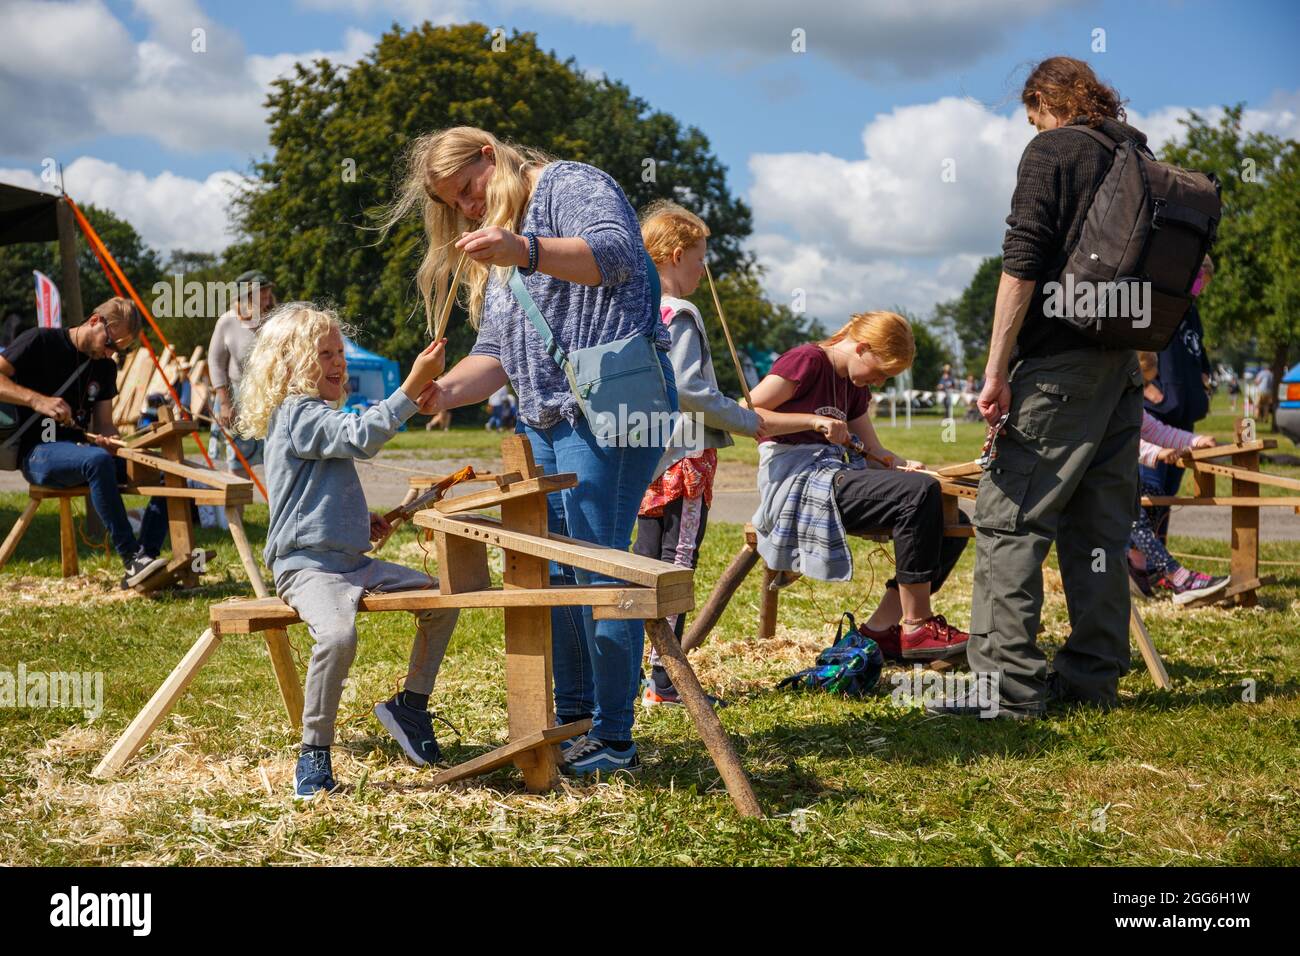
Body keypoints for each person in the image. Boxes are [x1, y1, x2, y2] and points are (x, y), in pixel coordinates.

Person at [382, 126, 677, 776]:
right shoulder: (501, 242)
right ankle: (575, 723)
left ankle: (614, 738)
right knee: (561, 575)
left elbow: (619, 254)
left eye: (467, 187)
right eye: (452, 203)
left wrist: (522, 248)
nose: (465, 206)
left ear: (490, 154)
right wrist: (442, 393)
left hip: (608, 407)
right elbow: (493, 354)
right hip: (546, 422)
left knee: (602, 571)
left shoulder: (568, 184)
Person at [952, 56, 1149, 718]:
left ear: (1041, 101)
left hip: (1059, 364)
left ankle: (1004, 693)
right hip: (1121, 365)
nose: (1029, 126)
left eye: (1029, 114)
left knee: (1010, 521)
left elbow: (1022, 263)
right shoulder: (1134, 152)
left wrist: (995, 369)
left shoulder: (1051, 151)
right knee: (1100, 529)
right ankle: (1093, 680)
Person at [235, 302, 459, 799]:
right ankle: (313, 753)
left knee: (443, 600)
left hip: (352, 563)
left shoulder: (314, 415)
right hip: (307, 568)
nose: (339, 362)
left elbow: (321, 490)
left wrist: (360, 523)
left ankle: (411, 706)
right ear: (291, 366)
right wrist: (409, 386)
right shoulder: (296, 412)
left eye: (340, 352)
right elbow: (360, 437)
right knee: (337, 637)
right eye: (325, 353)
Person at [750, 312, 971, 662]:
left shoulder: (854, 386)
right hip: (796, 478)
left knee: (950, 515)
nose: (880, 382)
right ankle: (917, 626)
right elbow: (746, 414)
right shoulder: (806, 361)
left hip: (834, 472)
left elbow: (874, 452)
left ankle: (881, 630)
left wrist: (901, 465)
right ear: (862, 348)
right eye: (882, 372)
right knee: (917, 495)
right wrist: (813, 421)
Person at [631, 201, 766, 707]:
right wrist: (747, 419)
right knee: (677, 563)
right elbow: (689, 389)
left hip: (645, 454)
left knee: (646, 559)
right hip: (684, 458)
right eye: (699, 258)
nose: (703, 269)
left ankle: (637, 669)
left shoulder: (633, 312)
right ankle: (665, 681)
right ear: (673, 253)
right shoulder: (679, 312)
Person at [0, 297, 171, 588]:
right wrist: (37, 399)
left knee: (166, 469)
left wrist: (111, 440)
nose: (111, 353)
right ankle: (131, 559)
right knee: (97, 461)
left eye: (120, 349)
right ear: (94, 321)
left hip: (83, 453)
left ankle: (147, 557)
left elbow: (104, 423)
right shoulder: (40, 341)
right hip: (37, 452)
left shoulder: (105, 368)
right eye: (110, 344)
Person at [1128, 351, 1228, 604]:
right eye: (1143, 382)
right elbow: (1123, 441)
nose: (1146, 389)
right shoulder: (1109, 402)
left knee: (1155, 494)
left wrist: (1194, 441)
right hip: (1092, 485)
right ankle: (1179, 577)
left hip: (1115, 480)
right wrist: (1159, 453)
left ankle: (1136, 567)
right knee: (1135, 517)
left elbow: (1157, 430)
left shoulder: (1132, 404)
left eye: (1148, 382)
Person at [1140, 255, 1215, 546]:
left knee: (1169, 493)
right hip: (1156, 417)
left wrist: (1204, 380)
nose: (1200, 288)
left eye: (1204, 284)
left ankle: (1159, 562)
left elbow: (1198, 350)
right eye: (1198, 281)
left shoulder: (1191, 311)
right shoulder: (1159, 304)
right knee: (1151, 494)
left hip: (1183, 416)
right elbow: (1138, 349)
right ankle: (1140, 563)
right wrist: (1147, 385)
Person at [208, 270, 276, 484]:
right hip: (237, 399)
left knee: (278, 458)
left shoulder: (277, 320)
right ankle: (235, 517)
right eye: (260, 292)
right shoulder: (228, 322)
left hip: (272, 398)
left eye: (267, 291)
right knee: (238, 462)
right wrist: (225, 402)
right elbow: (215, 362)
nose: (266, 296)